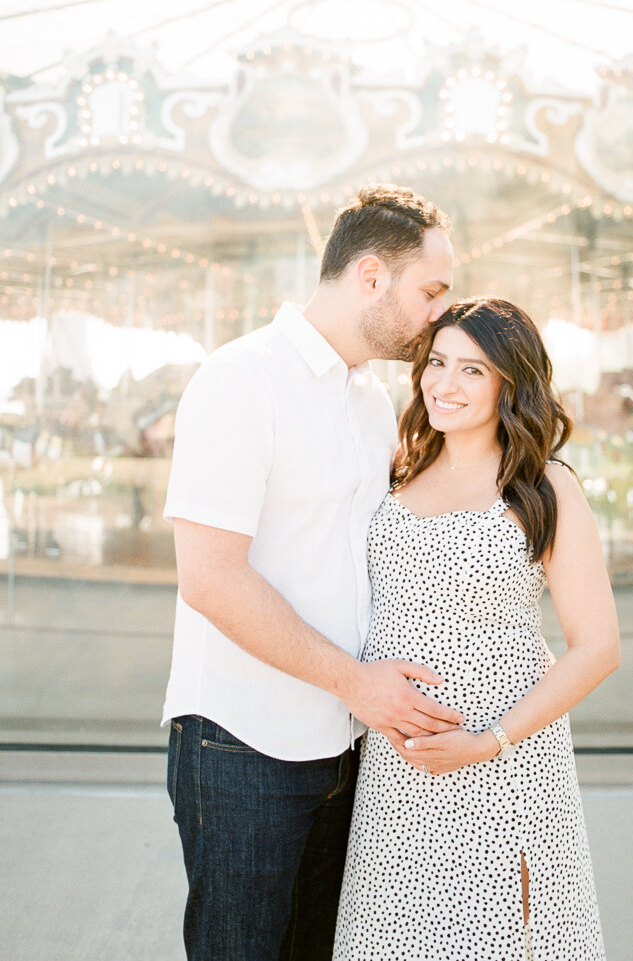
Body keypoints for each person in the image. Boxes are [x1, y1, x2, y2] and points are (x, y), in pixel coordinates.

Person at [162, 185, 465, 961]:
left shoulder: (370, 401)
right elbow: (211, 580)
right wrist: (358, 683)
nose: (438, 314)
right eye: (430, 291)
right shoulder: (240, 379)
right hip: (241, 745)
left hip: (344, 744)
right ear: (371, 276)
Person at [334, 297, 621, 961]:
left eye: (472, 371)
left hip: (504, 753)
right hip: (399, 767)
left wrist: (488, 743)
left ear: (508, 384)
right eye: (437, 363)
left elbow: (598, 647)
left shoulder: (543, 486)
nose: (444, 383)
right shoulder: (395, 470)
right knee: (398, 933)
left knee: (500, 932)